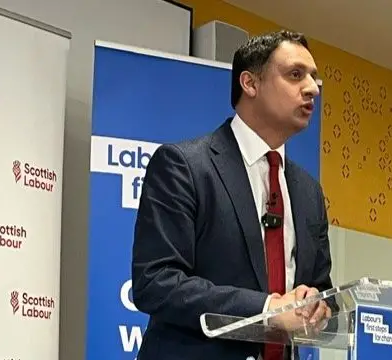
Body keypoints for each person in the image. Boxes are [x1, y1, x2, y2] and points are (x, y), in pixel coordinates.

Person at [132, 29, 334, 360]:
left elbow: (324, 291)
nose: (313, 88)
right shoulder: (184, 165)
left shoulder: (309, 192)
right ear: (250, 84)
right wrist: (267, 308)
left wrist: (317, 306)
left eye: (313, 78)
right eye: (296, 75)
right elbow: (156, 282)